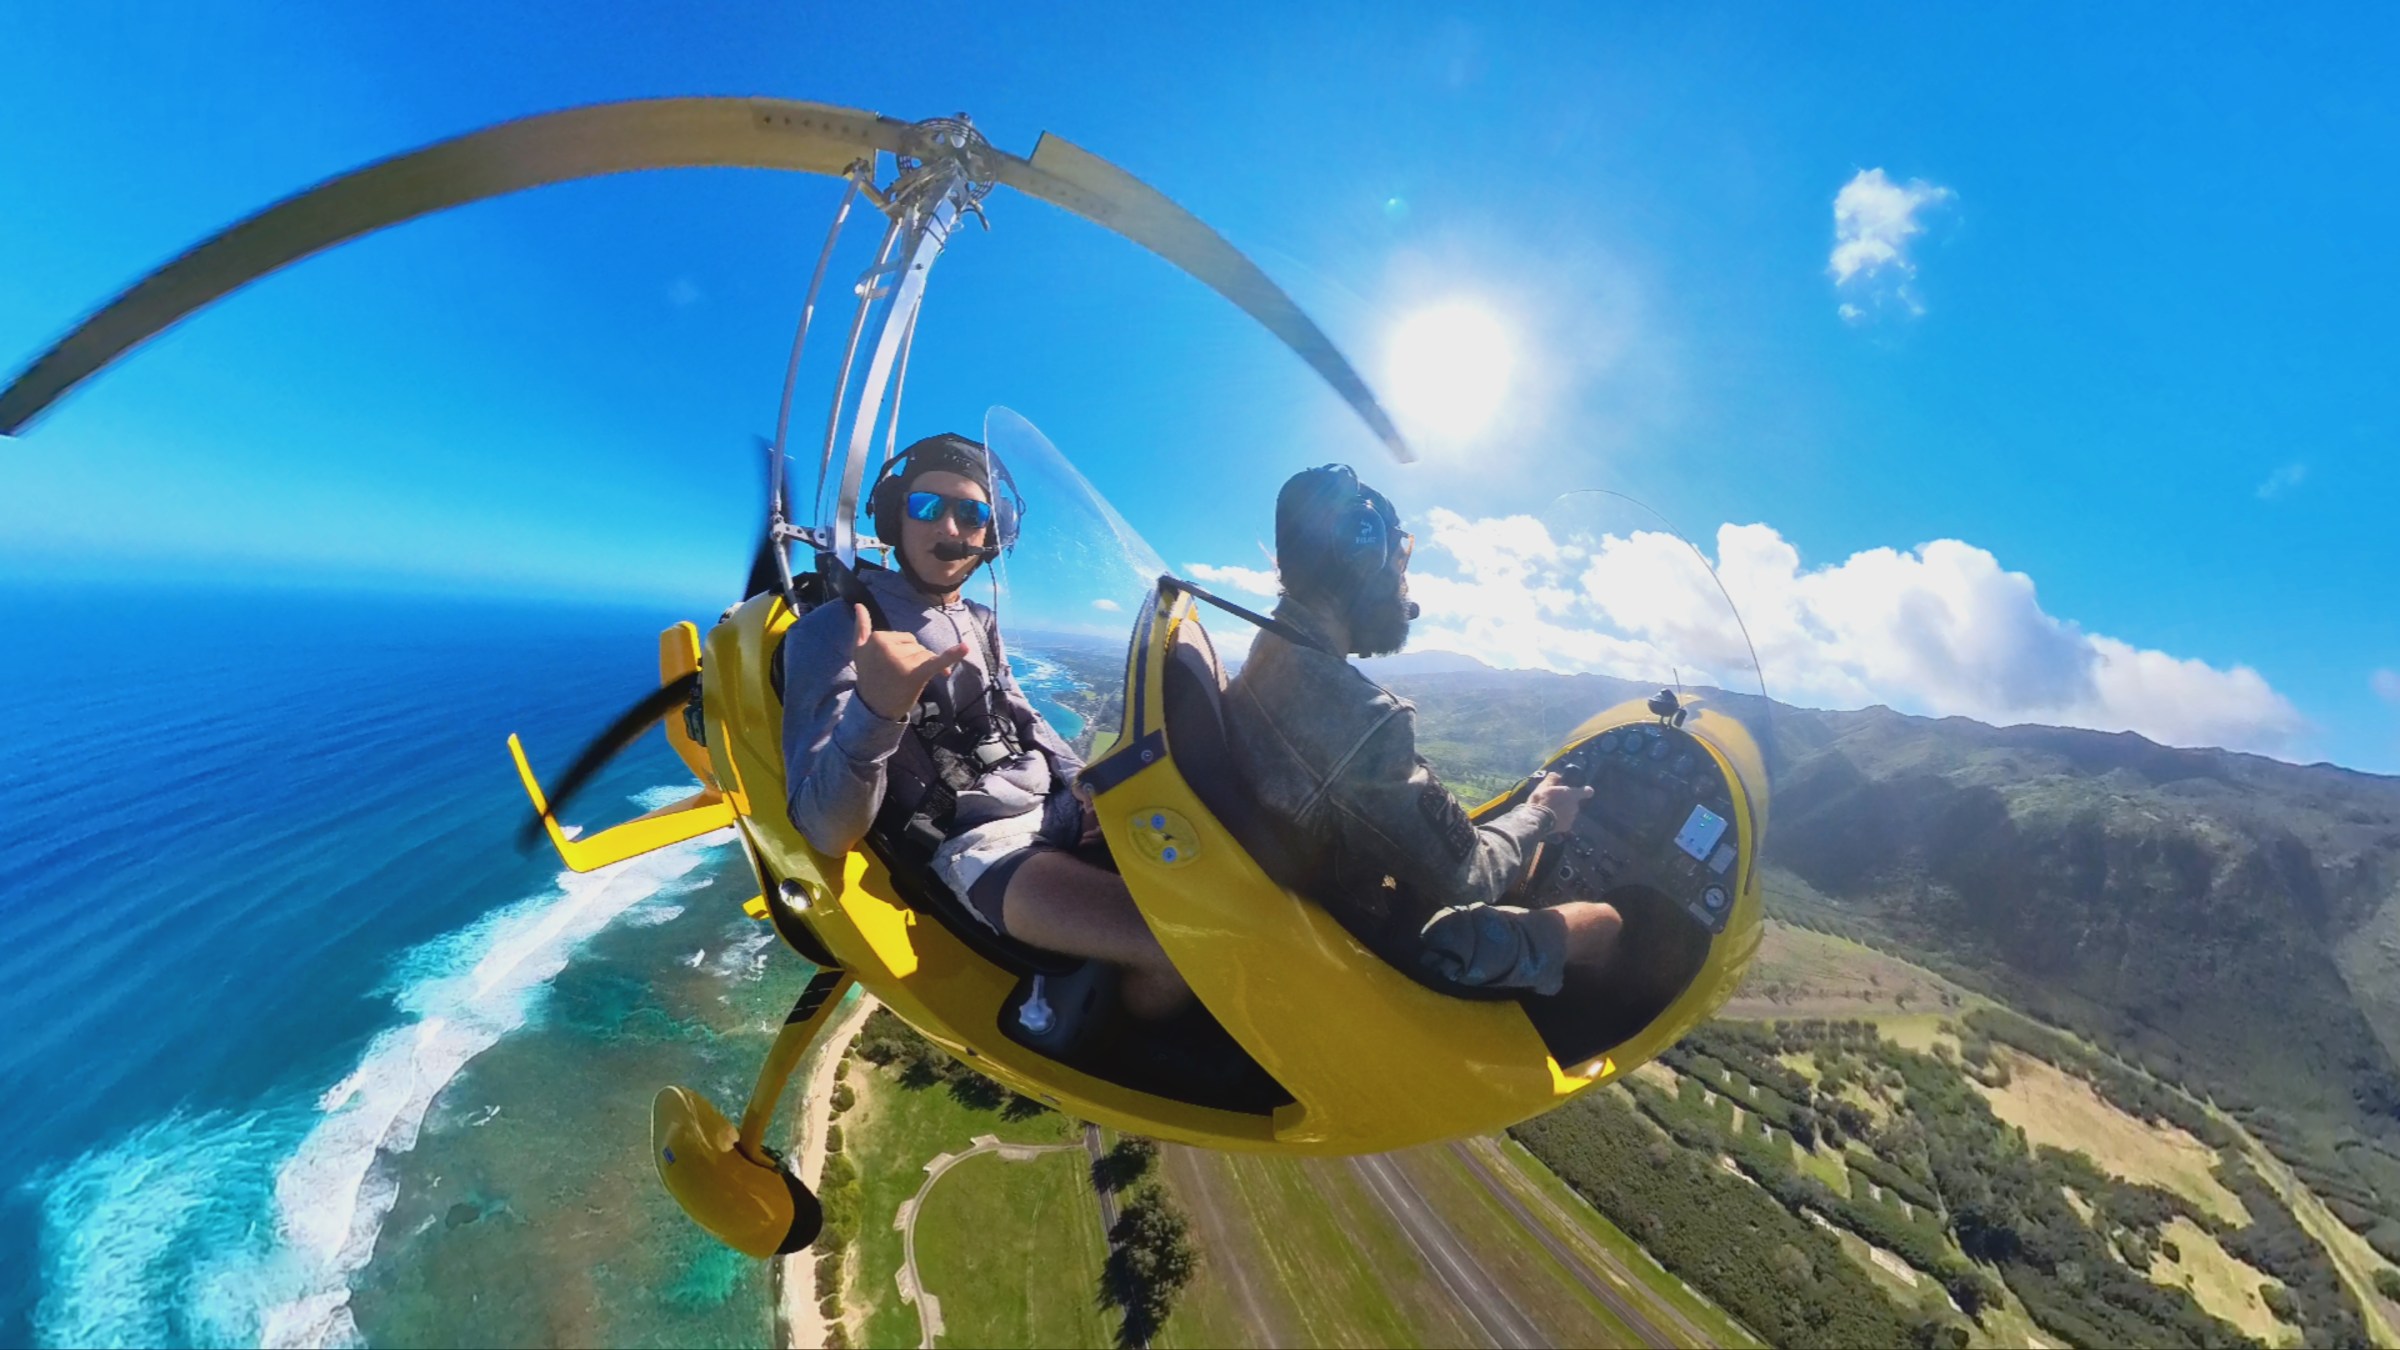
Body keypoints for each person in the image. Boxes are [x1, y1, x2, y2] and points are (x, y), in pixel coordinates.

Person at [779, 433, 1192, 1018]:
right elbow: (823, 828)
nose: (949, 527)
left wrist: (1084, 782)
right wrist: (879, 707)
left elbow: (1020, 714)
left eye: (971, 513)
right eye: (927, 506)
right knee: (1182, 948)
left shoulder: (977, 618)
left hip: (1057, 807)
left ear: (990, 535)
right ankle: (1141, 1061)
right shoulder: (837, 630)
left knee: (1222, 877)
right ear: (896, 514)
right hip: (982, 844)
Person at [1224, 464, 1622, 996]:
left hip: (1306, 903)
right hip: (1370, 953)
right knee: (1603, 922)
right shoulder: (1363, 717)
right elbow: (1472, 875)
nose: (1403, 585)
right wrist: (1546, 812)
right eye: (1399, 559)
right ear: (1361, 557)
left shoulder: (1268, 652)